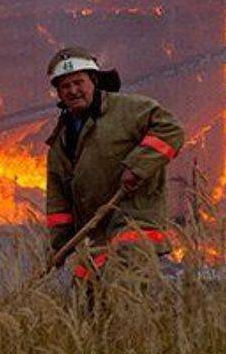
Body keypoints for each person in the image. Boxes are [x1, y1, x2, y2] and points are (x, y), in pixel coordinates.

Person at [43, 46, 185, 279]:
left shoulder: (127, 109)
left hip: (134, 227)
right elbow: (59, 204)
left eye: (79, 82)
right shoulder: (60, 142)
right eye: (65, 86)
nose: (73, 91)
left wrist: (137, 167)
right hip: (96, 239)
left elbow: (171, 129)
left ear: (94, 81)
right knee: (84, 298)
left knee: (123, 286)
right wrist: (59, 248)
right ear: (58, 93)